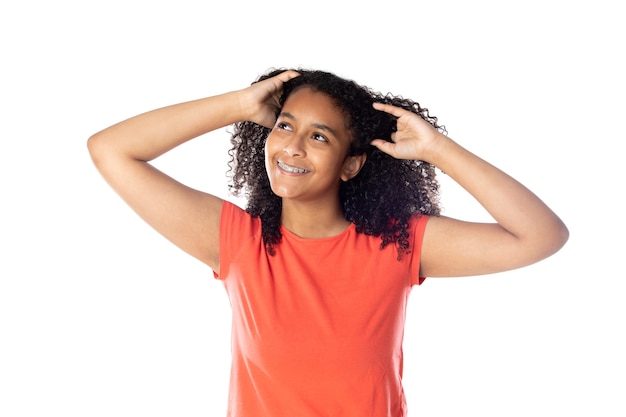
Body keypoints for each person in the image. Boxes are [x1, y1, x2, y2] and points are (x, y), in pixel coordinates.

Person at [87, 68, 568, 417]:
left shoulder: (397, 245)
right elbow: (110, 150)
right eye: (285, 125)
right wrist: (238, 105)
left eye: (319, 136)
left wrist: (438, 149)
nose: (292, 146)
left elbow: (541, 236)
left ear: (350, 163)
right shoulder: (238, 242)